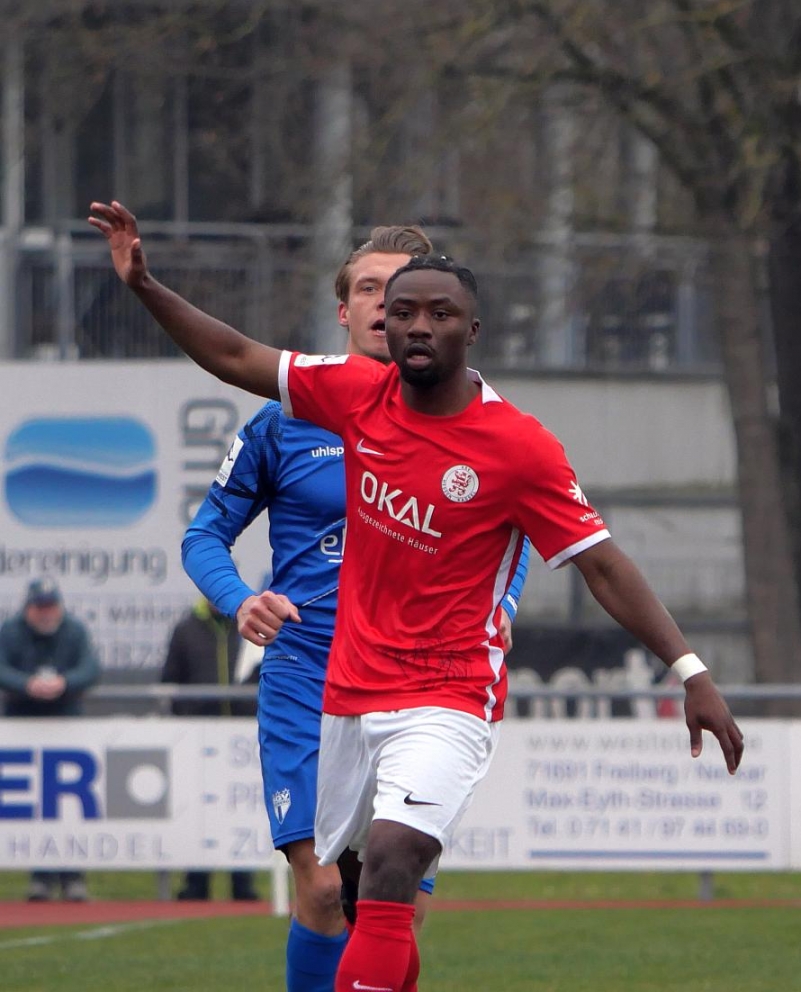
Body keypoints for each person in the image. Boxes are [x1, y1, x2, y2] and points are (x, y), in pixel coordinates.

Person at [90, 200, 744, 992]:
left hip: (445, 688)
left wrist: (688, 669)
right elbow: (231, 358)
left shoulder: (516, 445)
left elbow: (590, 562)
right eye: (394, 305)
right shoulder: (338, 400)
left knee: (393, 870)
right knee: (339, 891)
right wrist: (144, 284)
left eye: (436, 309)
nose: (411, 322)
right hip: (331, 682)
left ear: (473, 328)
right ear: (360, 315)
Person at [179, 223, 530, 990]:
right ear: (345, 310)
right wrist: (241, 600)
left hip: (422, 678)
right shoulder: (284, 420)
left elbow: (518, 535)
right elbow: (204, 535)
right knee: (323, 888)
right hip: (309, 670)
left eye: (402, 292)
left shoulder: (474, 418)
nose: (385, 305)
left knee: (393, 901)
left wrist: (499, 604)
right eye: (370, 289)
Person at [0, 577, 101, 902]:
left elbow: (91, 668)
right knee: (34, 803)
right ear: (28, 608)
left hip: (66, 727)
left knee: (69, 805)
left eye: (50, 606)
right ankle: (40, 875)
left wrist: (64, 683)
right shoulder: (11, 631)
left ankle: (73, 875)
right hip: (24, 728)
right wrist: (26, 684)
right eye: (39, 607)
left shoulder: (73, 630)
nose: (45, 613)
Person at [160, 597, 260, 902]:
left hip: (242, 737)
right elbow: (170, 680)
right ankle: (196, 883)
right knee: (197, 809)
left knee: (240, 806)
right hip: (198, 736)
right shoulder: (186, 629)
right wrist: (186, 718)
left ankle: (243, 883)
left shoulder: (250, 626)